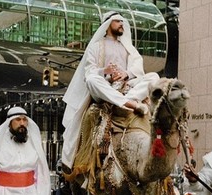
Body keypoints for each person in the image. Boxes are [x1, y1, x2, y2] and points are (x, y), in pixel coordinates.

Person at [60, 11, 160, 171]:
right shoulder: (95, 47)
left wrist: (125, 74)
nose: (122, 24)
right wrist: (105, 72)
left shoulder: (128, 47)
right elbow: (89, 73)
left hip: (127, 89)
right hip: (104, 90)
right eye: (118, 21)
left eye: (123, 22)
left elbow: (138, 69)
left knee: (154, 76)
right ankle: (129, 104)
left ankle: (128, 100)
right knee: (93, 79)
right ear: (107, 24)